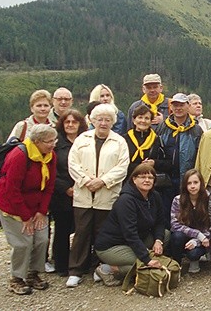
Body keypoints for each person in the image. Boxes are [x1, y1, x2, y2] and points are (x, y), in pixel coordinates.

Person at [66, 103, 130, 288]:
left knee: (103, 234)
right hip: (84, 195)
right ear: (92, 120)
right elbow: (73, 164)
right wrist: (86, 181)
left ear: (113, 122)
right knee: (81, 232)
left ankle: (99, 267)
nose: (103, 123)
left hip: (106, 194)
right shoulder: (81, 139)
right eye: (100, 119)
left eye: (108, 120)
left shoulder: (119, 141)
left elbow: (122, 167)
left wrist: (102, 181)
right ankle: (76, 270)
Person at [0, 124, 57, 295]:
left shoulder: (50, 155)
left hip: (36, 204)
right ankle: (16, 278)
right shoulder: (19, 156)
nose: (53, 144)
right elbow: (11, 189)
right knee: (22, 243)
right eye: (48, 141)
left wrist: (41, 211)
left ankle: (33, 274)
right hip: (12, 206)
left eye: (54, 140)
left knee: (42, 240)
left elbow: (49, 186)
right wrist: (25, 216)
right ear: (36, 142)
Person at [94, 164, 168, 286]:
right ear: (134, 179)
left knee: (166, 234)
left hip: (137, 240)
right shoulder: (126, 200)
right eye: (143, 177)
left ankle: (145, 257)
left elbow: (160, 222)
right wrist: (147, 259)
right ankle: (107, 269)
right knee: (144, 264)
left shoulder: (155, 197)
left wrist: (159, 240)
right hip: (113, 246)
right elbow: (130, 233)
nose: (147, 180)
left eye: (150, 177)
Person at [50, 109, 87, 277]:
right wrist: (65, 188)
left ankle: (81, 262)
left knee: (82, 230)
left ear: (80, 125)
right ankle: (61, 264)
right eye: (67, 122)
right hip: (62, 194)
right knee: (62, 230)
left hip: (84, 191)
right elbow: (51, 171)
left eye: (74, 122)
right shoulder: (56, 145)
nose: (71, 125)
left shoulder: (87, 141)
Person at [156, 93, 203, 225]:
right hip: (166, 178)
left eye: (181, 105)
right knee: (165, 212)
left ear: (188, 106)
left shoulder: (196, 130)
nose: (178, 108)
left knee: (185, 212)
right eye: (175, 105)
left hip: (187, 178)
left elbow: (200, 154)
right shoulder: (163, 127)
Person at [170, 169, 211, 275]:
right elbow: (174, 225)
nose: (192, 186)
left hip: (204, 238)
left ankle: (198, 257)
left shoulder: (209, 199)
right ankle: (176, 265)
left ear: (201, 183)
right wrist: (197, 234)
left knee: (194, 253)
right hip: (185, 235)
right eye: (189, 183)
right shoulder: (177, 200)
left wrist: (197, 241)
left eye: (195, 182)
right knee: (176, 237)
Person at [123, 104, 170, 179]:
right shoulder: (124, 139)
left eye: (147, 118)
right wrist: (139, 167)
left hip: (150, 181)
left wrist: (154, 163)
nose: (143, 121)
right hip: (128, 180)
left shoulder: (157, 140)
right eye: (140, 117)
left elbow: (168, 164)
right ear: (134, 120)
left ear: (151, 121)